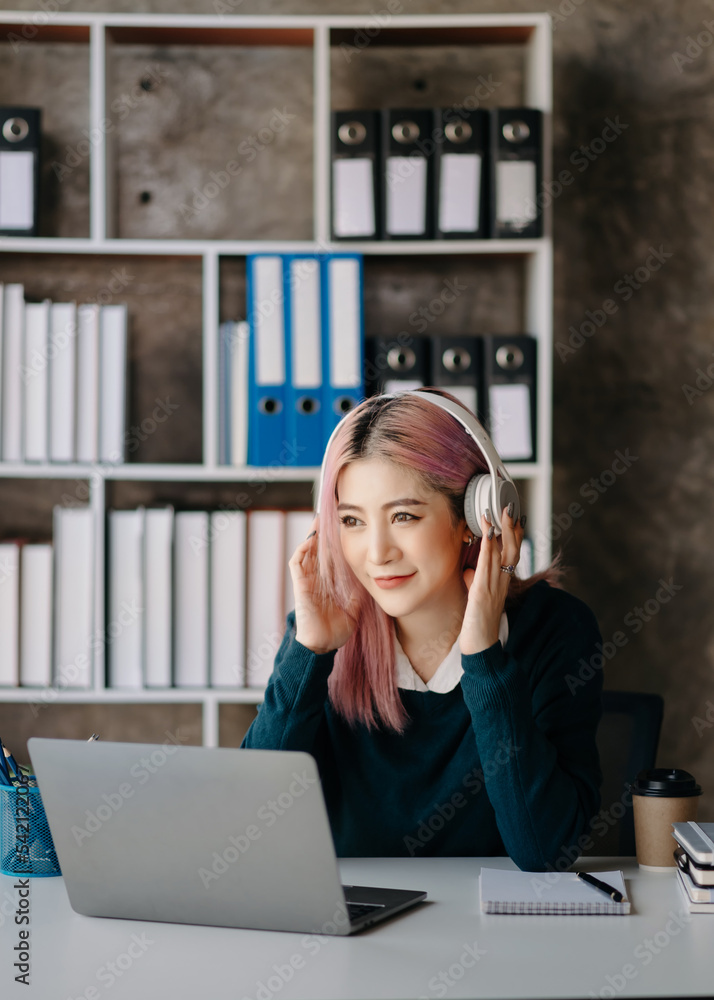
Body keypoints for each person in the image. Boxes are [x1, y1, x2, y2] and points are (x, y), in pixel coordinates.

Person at [241, 388, 603, 871]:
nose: (376, 553)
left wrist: (483, 658)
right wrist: (309, 654)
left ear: (477, 518)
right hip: (354, 933)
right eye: (351, 521)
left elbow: (546, 853)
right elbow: (250, 826)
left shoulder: (556, 630)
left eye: (404, 516)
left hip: (500, 936)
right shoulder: (321, 634)